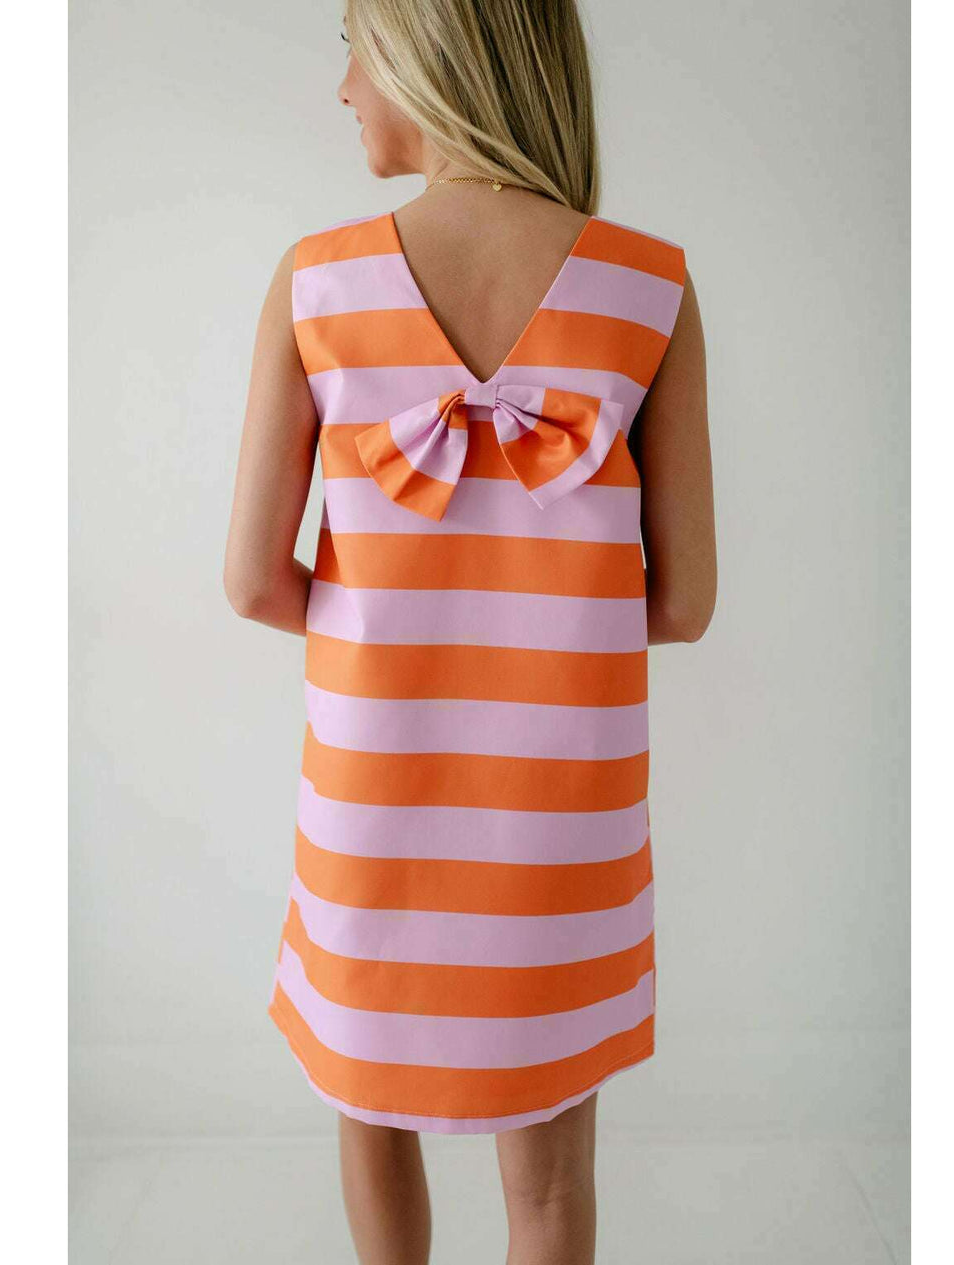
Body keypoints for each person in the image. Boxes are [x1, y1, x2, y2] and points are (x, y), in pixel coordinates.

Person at [224, 3, 716, 1261]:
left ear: (426, 53)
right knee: (549, 1184)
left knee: (366, 1104)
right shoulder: (649, 285)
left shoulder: (316, 279)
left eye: (352, 44)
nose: (343, 86)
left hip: (373, 801)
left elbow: (252, 583)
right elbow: (682, 603)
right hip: (558, 818)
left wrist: (393, 623)